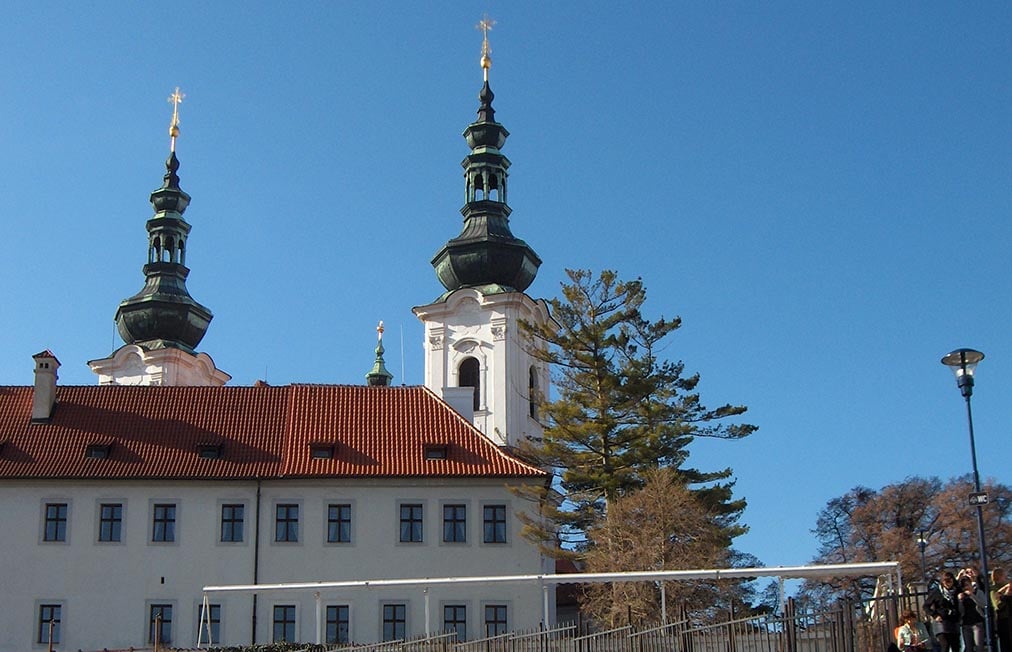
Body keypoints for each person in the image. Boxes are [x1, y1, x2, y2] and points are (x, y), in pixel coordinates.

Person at [925, 572, 961, 652]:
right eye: (945, 581)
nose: (948, 584)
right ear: (942, 582)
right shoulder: (937, 592)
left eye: (950, 581)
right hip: (942, 623)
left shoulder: (956, 591)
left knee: (956, 646)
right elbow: (926, 606)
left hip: (954, 621)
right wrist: (934, 615)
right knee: (945, 645)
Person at [957, 574, 986, 652]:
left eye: (967, 585)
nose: (966, 587)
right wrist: (960, 601)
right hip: (966, 624)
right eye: (964, 586)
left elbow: (983, 604)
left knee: (979, 647)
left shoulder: (978, 592)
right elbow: (960, 611)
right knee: (968, 647)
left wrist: (973, 596)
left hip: (977, 623)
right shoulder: (962, 595)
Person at [992, 568, 1012, 652]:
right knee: (1005, 643)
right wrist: (1006, 595)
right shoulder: (994, 589)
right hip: (1003, 619)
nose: (1006, 577)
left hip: (1010, 617)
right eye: (1004, 575)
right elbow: (998, 605)